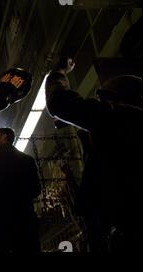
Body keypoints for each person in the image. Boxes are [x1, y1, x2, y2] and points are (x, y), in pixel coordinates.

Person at [45, 58, 142, 252]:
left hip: (121, 223)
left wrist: (58, 74)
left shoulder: (114, 117)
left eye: (103, 101)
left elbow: (58, 102)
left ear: (114, 99)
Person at [0, 128, 41, 253]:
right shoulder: (27, 160)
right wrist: (20, 200)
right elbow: (36, 189)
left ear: (4, 137)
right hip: (24, 218)